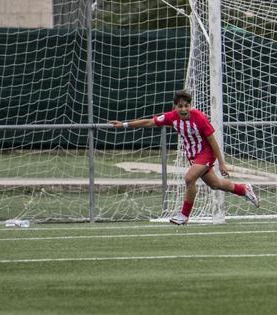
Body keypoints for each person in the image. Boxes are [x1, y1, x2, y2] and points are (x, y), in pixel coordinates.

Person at [110, 90, 259, 224]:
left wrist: (222, 163)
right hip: (193, 155)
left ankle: (184, 215)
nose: (183, 109)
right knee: (215, 184)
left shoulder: (199, 118)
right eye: (180, 106)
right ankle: (244, 189)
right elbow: (150, 122)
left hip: (206, 153)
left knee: (189, 178)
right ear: (175, 107)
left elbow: (213, 141)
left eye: (186, 106)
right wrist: (124, 125)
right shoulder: (171, 117)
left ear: (190, 105)